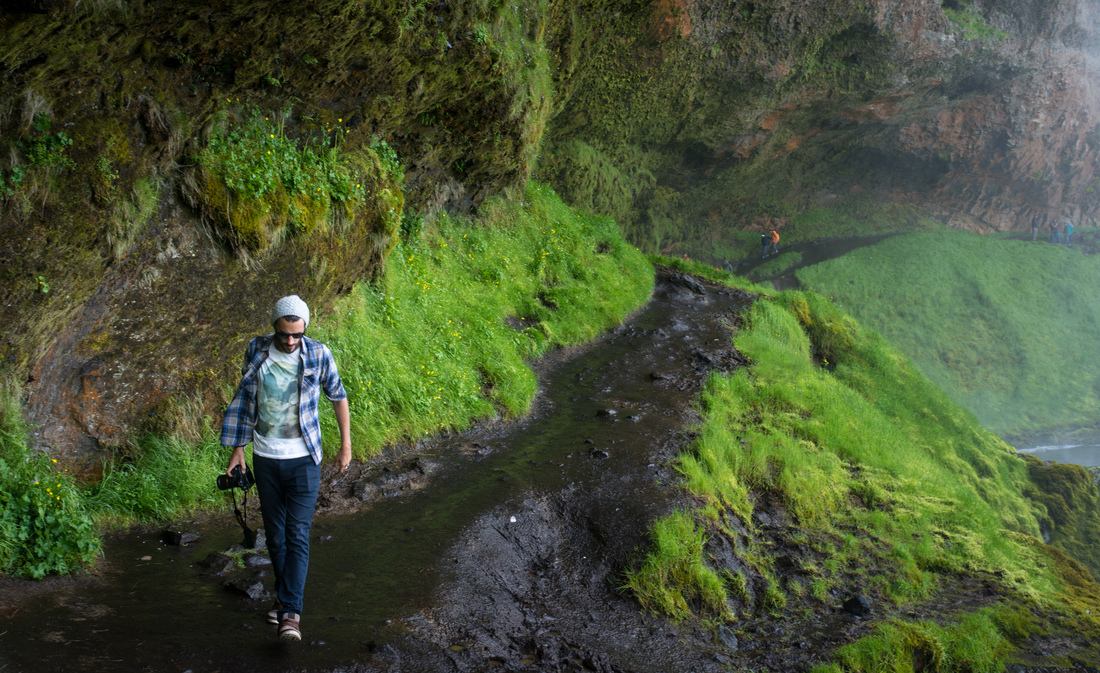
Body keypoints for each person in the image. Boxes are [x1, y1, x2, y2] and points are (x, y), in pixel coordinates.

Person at [221, 294, 352, 642]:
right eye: (284, 334)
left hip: (304, 460)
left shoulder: (319, 354)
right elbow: (248, 400)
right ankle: (285, 603)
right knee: (275, 537)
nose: (290, 341)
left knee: (296, 534)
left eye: (297, 334)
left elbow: (338, 396)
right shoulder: (256, 350)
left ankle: (291, 613)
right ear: (274, 328)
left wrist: (346, 446)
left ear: (305, 329)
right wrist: (239, 450)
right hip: (266, 458)